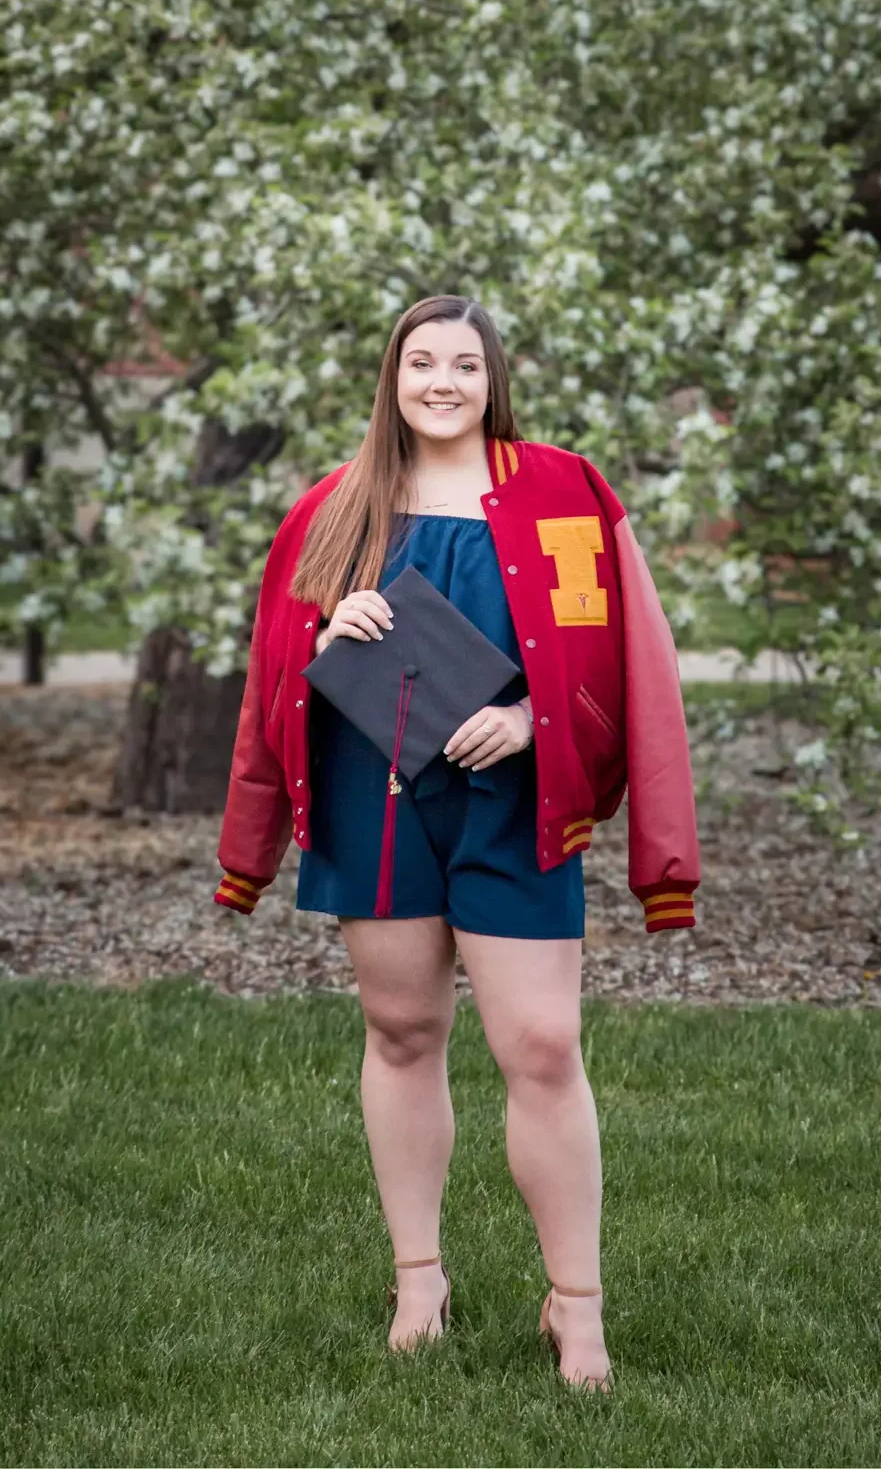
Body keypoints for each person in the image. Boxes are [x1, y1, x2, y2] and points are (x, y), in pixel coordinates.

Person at [214, 294, 700, 1392]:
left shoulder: (567, 496)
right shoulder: (330, 511)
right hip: (368, 793)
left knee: (538, 1046)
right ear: (390, 376)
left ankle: (575, 1308)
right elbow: (274, 683)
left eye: (463, 365)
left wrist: (533, 720)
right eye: (420, 361)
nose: (441, 381)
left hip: (514, 802)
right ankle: (418, 1280)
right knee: (399, 1030)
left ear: (493, 379)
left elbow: (625, 658)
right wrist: (327, 630)